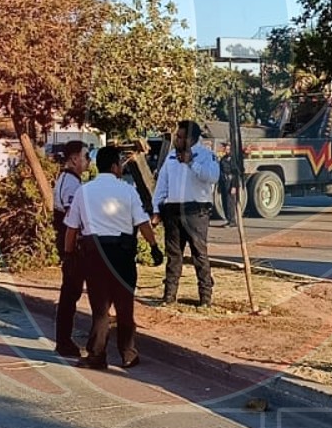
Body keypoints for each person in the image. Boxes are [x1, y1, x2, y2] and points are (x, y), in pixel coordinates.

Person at [64, 146, 163, 369]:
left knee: (100, 308)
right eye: (120, 163)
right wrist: (154, 247)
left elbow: (71, 229)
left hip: (94, 254)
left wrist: (68, 256)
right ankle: (128, 353)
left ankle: (97, 355)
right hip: (122, 254)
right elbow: (142, 223)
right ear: (114, 166)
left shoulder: (84, 191)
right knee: (124, 305)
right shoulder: (127, 191)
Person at [151, 119, 220, 306]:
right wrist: (156, 208)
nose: (177, 140)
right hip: (173, 210)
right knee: (173, 255)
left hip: (196, 211)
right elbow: (162, 184)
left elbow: (213, 176)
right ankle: (169, 296)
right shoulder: (171, 157)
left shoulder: (206, 155)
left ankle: (205, 297)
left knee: (199, 254)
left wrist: (192, 163)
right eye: (177, 136)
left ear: (192, 139)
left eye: (181, 137)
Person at [50, 140, 90, 358]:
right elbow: (71, 219)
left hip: (70, 246)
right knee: (70, 293)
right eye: (86, 156)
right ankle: (64, 342)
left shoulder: (68, 180)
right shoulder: (71, 184)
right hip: (72, 247)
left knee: (70, 292)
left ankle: (64, 340)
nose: (87, 161)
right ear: (74, 158)